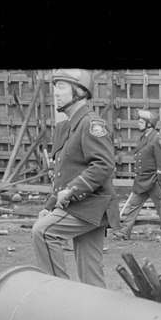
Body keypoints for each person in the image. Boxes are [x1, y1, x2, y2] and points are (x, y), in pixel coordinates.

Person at [32, 69, 120, 288]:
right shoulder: (67, 126)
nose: (55, 93)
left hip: (90, 205)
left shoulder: (91, 124)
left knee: (42, 231)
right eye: (55, 87)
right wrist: (50, 205)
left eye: (62, 87)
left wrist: (72, 190)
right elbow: (65, 172)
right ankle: (95, 318)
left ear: (80, 91)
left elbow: (103, 164)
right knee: (91, 274)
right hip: (83, 206)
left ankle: (61, 294)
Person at [112, 110, 161, 241]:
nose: (138, 124)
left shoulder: (157, 139)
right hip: (142, 179)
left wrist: (160, 181)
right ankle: (125, 231)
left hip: (154, 180)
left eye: (141, 122)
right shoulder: (144, 138)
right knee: (134, 204)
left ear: (149, 124)